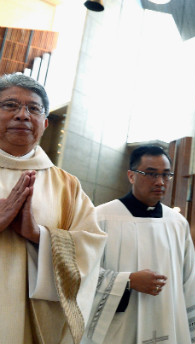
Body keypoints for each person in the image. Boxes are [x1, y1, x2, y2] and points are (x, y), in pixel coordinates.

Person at [0, 73, 107, 343]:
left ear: (45, 123)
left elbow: (91, 248)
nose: (22, 115)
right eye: (10, 105)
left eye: (33, 109)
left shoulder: (67, 185)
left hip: (38, 323)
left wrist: (39, 235)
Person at [82, 145, 195, 344]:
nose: (160, 182)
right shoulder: (100, 217)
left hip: (170, 325)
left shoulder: (178, 223)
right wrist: (128, 281)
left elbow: (188, 283)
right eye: (151, 174)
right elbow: (81, 272)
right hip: (119, 331)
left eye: (166, 175)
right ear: (131, 175)